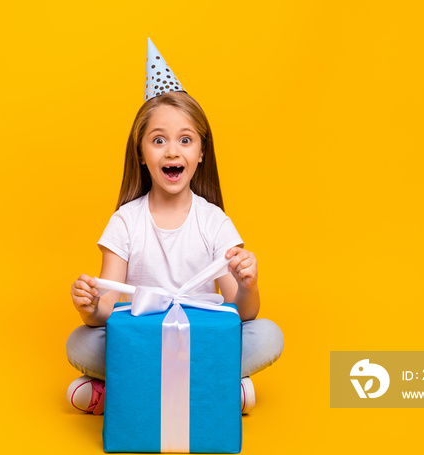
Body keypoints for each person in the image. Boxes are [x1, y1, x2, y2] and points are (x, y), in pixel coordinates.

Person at [66, 39, 283, 416]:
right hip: (143, 337)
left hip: (199, 337)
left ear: (201, 153)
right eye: (159, 140)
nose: (172, 151)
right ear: (141, 152)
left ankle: (124, 388)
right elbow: (103, 312)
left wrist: (249, 284)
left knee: (268, 334)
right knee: (80, 342)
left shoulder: (215, 222)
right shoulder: (125, 222)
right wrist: (88, 308)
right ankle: (216, 387)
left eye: (185, 140)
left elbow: (243, 314)